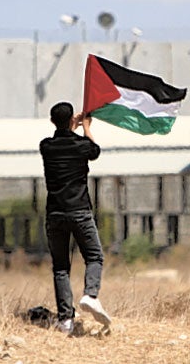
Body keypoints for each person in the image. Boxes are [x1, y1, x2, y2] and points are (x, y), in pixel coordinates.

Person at [39, 101, 111, 335]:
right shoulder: (81, 145)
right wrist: (86, 127)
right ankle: (90, 295)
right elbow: (95, 151)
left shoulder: (46, 146)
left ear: (52, 122)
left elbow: (62, 139)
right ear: (72, 121)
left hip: (55, 213)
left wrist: (70, 126)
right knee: (94, 257)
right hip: (80, 210)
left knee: (61, 267)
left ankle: (65, 320)